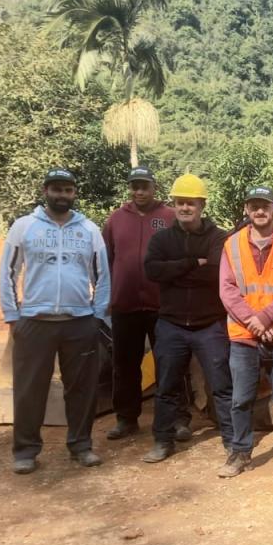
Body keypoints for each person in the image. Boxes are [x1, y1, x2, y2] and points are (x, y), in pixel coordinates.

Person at [0, 168, 109, 474]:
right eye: (56, 189)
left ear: (75, 193)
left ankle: (81, 445)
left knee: (82, 389)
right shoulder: (24, 227)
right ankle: (26, 451)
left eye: (68, 190)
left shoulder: (89, 230)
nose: (62, 195)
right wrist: (12, 316)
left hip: (79, 321)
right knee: (29, 389)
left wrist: (97, 316)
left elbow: (103, 277)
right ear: (45, 191)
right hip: (35, 320)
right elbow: (7, 273)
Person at [141, 174, 233, 466]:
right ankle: (162, 441)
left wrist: (176, 271)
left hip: (210, 324)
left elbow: (216, 273)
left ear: (202, 205)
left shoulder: (218, 237)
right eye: (180, 202)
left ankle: (233, 442)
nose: (185, 208)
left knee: (221, 386)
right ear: (174, 205)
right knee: (166, 386)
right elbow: (153, 271)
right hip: (171, 325)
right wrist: (193, 263)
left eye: (190, 203)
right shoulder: (162, 239)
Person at [218, 185, 273, 481]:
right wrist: (254, 322)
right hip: (244, 338)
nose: (259, 211)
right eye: (254, 206)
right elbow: (227, 290)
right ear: (246, 209)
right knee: (241, 399)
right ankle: (240, 452)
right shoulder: (231, 245)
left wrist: (265, 319)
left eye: (265, 206)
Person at [101, 166, 192, 442]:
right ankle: (126, 418)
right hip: (125, 305)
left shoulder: (168, 217)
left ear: (155, 188)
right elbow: (106, 260)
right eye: (134, 186)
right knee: (125, 364)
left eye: (144, 186)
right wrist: (108, 295)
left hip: (162, 306)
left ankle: (178, 418)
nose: (139, 191)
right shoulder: (116, 219)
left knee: (171, 363)